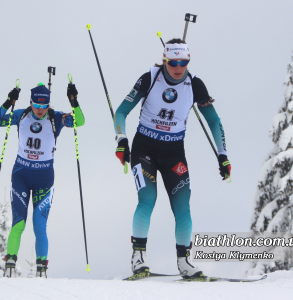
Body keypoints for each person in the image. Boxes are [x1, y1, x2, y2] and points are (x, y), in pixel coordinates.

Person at [114, 38, 231, 279]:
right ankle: (138, 258)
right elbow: (121, 111)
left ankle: (184, 261)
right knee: (147, 199)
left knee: (182, 206)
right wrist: (121, 139)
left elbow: (214, 121)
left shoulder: (195, 84)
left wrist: (223, 156)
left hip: (174, 153)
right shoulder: (149, 78)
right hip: (144, 149)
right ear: (165, 60)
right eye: (173, 62)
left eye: (183, 62)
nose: (178, 68)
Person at [0, 82, 84, 278]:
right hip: (21, 175)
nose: (40, 110)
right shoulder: (21, 115)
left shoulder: (56, 117)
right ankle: (9, 264)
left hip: (44, 177)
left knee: (39, 225)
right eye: (37, 106)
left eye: (44, 106)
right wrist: (9, 101)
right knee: (19, 223)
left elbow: (80, 121)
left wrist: (73, 101)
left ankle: (42, 269)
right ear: (31, 103)